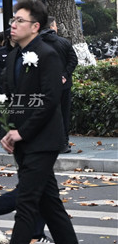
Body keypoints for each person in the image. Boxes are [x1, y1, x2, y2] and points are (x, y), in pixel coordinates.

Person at [0, 0, 83, 244]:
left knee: (26, 205)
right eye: (13, 20)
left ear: (35, 27)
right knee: (50, 205)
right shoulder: (13, 56)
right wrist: (9, 130)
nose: (13, 25)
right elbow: (14, 99)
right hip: (23, 142)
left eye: (19, 21)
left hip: (44, 141)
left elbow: (50, 100)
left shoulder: (48, 55)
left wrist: (22, 132)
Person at [40, 17, 78, 153]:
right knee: (64, 113)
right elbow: (73, 60)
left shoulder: (36, 44)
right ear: (52, 27)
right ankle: (63, 142)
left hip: (44, 86)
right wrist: (65, 75)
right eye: (55, 25)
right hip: (63, 85)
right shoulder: (64, 42)